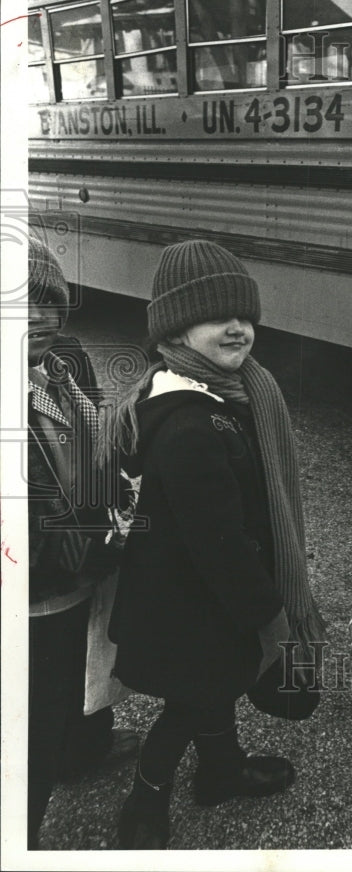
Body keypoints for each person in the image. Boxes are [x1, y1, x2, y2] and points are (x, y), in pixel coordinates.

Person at [102, 239, 325, 849]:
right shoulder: (189, 422)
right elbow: (218, 543)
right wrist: (271, 617)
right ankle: (146, 796)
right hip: (194, 600)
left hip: (196, 595)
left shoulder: (225, 395)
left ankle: (222, 771)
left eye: (244, 315)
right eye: (215, 316)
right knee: (192, 697)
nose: (237, 328)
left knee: (214, 685)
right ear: (176, 325)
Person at [26, 235, 132, 847]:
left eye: (49, 300)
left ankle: (82, 748)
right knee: (36, 715)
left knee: (80, 671)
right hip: (39, 586)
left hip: (86, 563)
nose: (39, 317)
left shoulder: (64, 360)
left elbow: (98, 450)